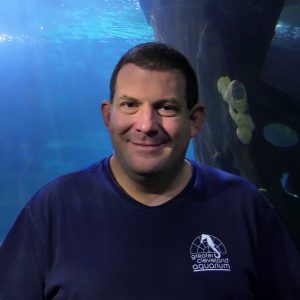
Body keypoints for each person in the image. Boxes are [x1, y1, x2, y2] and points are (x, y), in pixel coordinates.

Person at [0, 42, 299, 300]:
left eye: (166, 107)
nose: (146, 125)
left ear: (194, 120)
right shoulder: (53, 209)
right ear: (108, 115)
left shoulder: (243, 205)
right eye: (129, 105)